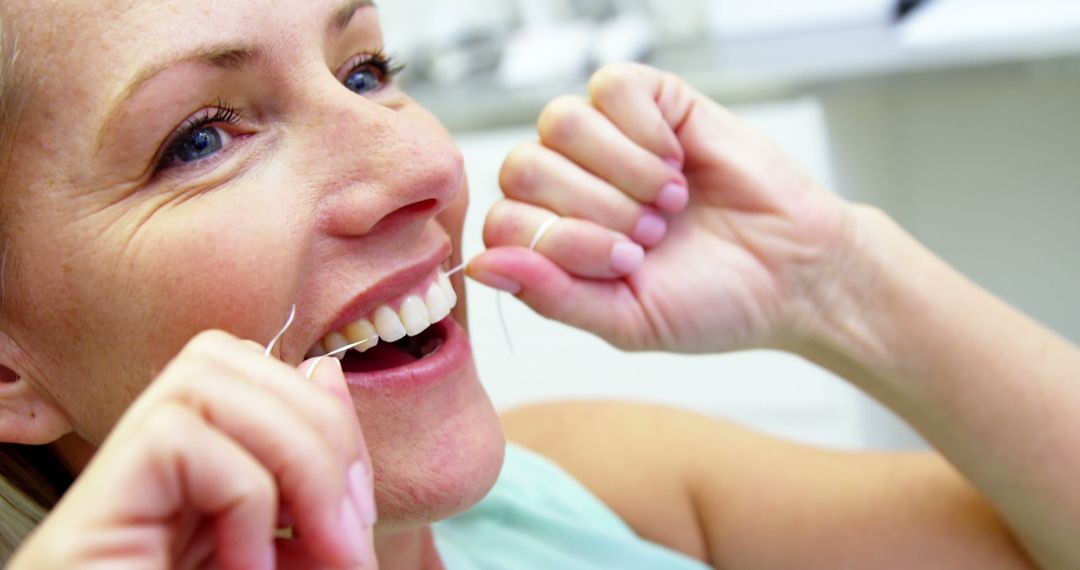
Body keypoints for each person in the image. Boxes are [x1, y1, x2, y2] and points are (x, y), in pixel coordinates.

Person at [0, 0, 1077, 568]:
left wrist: (840, 284)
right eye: (199, 139)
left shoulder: (597, 490)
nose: (419, 167)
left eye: (366, 71)